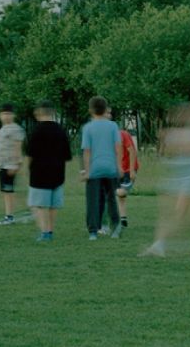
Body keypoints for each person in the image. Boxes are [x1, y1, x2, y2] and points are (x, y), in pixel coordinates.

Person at [141, 102, 190, 259]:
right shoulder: (177, 132)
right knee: (169, 212)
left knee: (184, 212)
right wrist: (167, 140)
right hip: (180, 176)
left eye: (189, 114)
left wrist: (174, 140)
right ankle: (159, 245)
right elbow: (167, 151)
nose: (184, 116)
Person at [23, 101, 71, 243]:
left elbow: (30, 154)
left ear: (38, 113)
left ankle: (44, 232)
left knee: (38, 205)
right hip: (58, 173)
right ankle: (50, 230)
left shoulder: (36, 131)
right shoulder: (60, 130)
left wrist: (27, 169)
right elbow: (67, 155)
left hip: (39, 174)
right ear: (53, 113)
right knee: (52, 206)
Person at [80, 95, 123, 240]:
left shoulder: (87, 128)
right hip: (110, 168)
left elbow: (87, 151)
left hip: (95, 169)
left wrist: (86, 171)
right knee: (111, 199)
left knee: (93, 201)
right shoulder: (113, 126)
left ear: (91, 110)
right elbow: (118, 148)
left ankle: (93, 231)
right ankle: (115, 228)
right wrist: (119, 167)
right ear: (105, 109)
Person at [0, 104, 26, 226]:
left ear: (13, 115)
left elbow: (18, 147)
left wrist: (17, 164)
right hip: (3, 165)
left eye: (8, 114)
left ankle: (9, 216)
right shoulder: (2, 129)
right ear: (0, 116)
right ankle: (22, 210)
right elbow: (0, 149)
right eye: (3, 114)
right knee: (6, 191)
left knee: (8, 191)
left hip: (10, 165)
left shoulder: (15, 129)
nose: (6, 116)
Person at [115, 115, 139, 229]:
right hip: (117, 170)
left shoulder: (123, 134)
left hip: (128, 169)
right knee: (121, 197)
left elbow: (132, 151)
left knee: (121, 192)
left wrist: (132, 170)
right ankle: (123, 219)